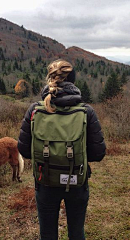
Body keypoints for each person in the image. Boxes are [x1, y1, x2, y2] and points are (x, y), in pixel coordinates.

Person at [17, 59, 106, 240]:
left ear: (49, 79)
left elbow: (24, 150)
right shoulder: (86, 112)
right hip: (77, 183)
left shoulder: (35, 110)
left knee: (48, 234)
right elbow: (98, 153)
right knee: (76, 232)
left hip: (45, 181)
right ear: (72, 81)